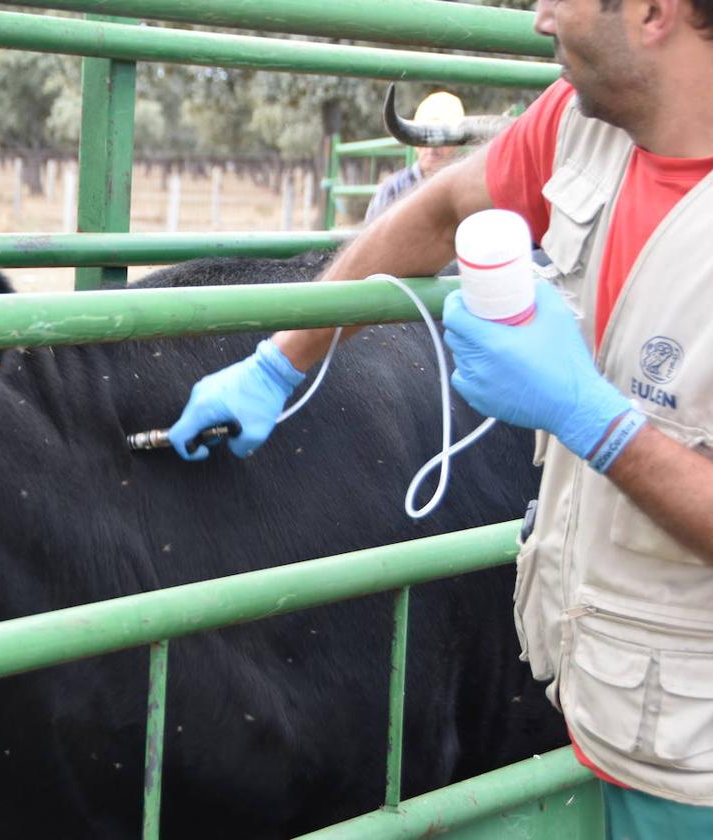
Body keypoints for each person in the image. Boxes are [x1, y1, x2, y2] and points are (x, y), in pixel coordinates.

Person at [168, 1, 713, 836]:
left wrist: (593, 420)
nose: (538, 19)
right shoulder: (581, 126)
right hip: (600, 701)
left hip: (695, 759)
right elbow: (442, 209)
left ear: (651, 12)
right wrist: (282, 361)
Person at [363, 91, 464, 223]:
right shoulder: (393, 189)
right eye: (423, 137)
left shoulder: (463, 189)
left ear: (456, 144)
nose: (432, 147)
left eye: (443, 139)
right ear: (414, 143)